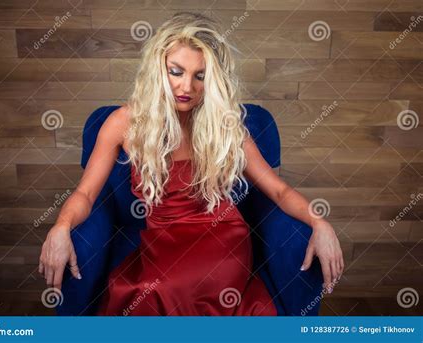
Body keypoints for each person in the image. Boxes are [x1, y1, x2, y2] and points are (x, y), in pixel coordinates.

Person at [39, 12, 344, 316]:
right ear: (158, 69)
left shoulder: (225, 124)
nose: (186, 86)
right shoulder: (123, 123)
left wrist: (320, 222)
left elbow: (278, 191)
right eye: (176, 71)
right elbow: (86, 194)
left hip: (222, 239)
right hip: (162, 240)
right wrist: (61, 227)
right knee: (146, 292)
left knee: (170, 290)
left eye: (200, 75)